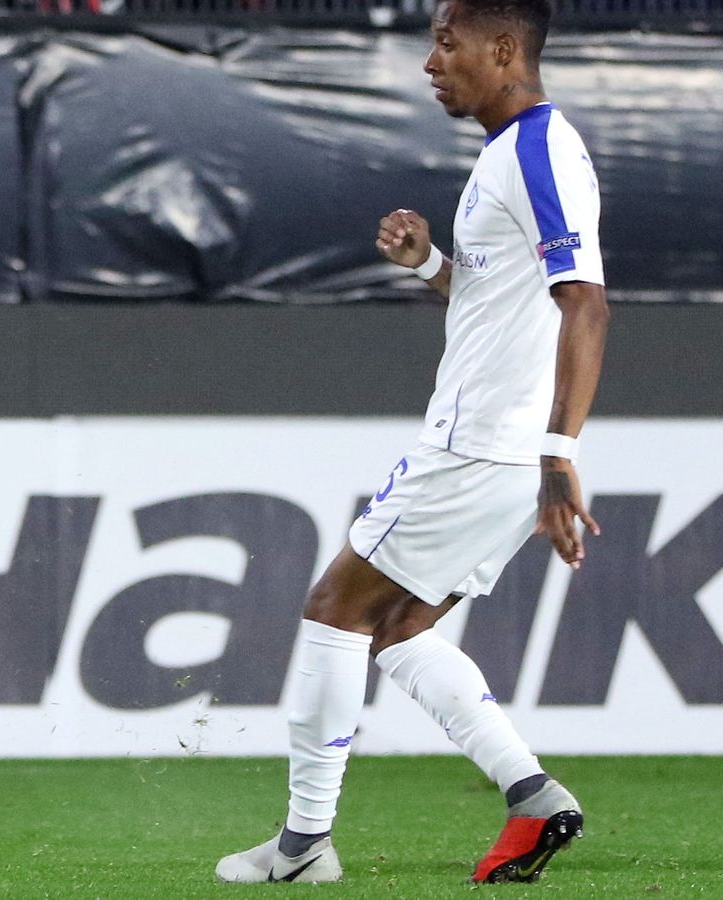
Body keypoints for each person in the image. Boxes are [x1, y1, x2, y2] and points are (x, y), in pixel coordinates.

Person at [217, 0, 607, 885]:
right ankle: (531, 794)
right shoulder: (511, 154)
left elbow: (585, 302)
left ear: (503, 48)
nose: (431, 59)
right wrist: (432, 265)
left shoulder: (538, 149)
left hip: (485, 447)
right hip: (505, 450)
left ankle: (302, 846)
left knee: (333, 610)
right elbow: (501, 300)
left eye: (446, 40)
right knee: (396, 628)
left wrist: (558, 454)